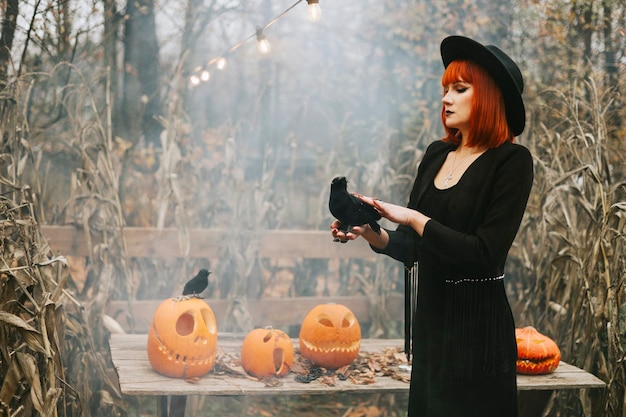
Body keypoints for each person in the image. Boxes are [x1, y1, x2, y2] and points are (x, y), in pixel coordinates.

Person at [330, 35, 533, 417]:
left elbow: (485, 254)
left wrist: (414, 218)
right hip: (432, 328)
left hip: (479, 337)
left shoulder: (511, 162)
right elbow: (412, 245)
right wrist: (369, 232)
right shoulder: (436, 154)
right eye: (445, 89)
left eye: (459, 89)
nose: (446, 98)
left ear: (488, 97)